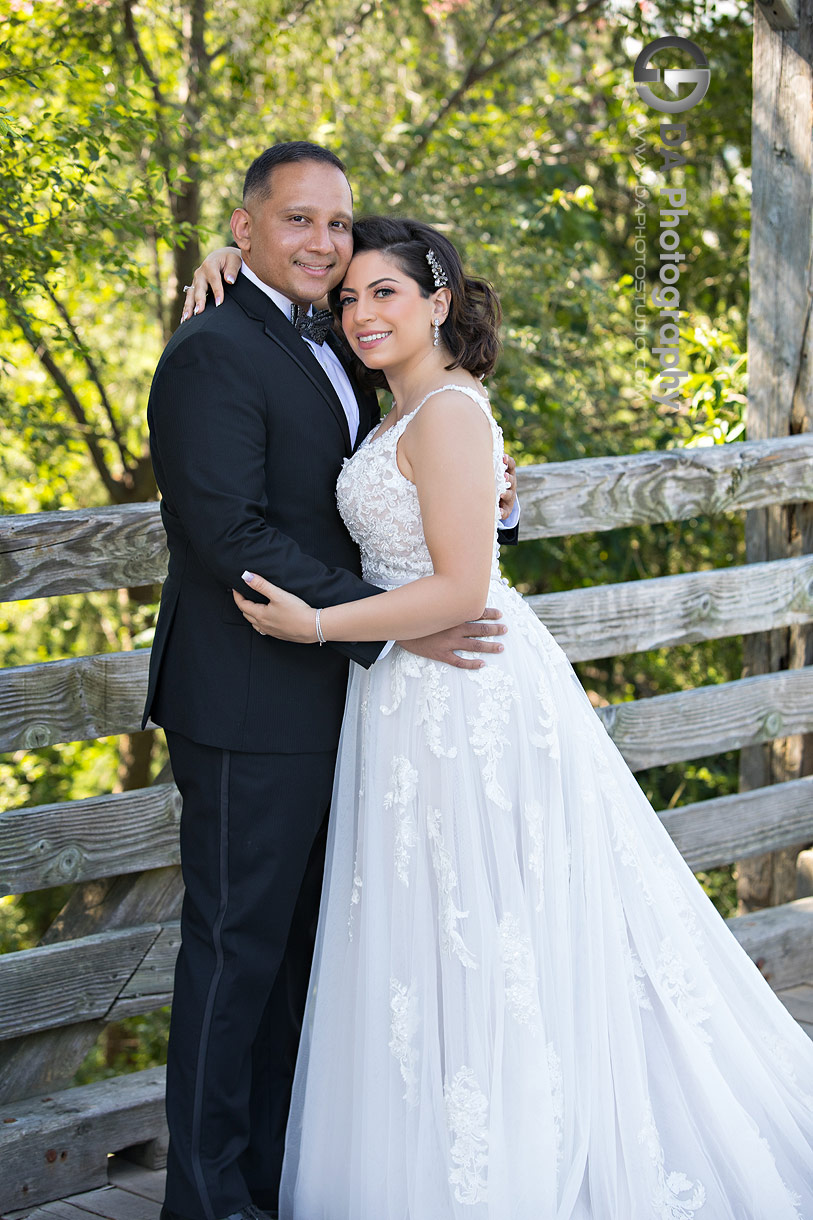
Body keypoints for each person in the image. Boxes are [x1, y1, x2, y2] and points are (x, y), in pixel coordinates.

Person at [220, 215, 813, 1218]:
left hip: (464, 697)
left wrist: (320, 621)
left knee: (491, 922)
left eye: (386, 294)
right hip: (406, 692)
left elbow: (461, 588)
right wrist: (227, 265)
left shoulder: (448, 412)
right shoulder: (399, 404)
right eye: (349, 297)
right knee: (438, 925)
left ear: (439, 300)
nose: (361, 312)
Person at [143, 145, 519, 1220]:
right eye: (295, 221)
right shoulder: (214, 347)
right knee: (235, 952)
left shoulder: (344, 343)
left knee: (308, 956)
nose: (321, 242)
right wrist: (390, 629)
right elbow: (228, 528)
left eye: (337, 223)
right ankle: (207, 1201)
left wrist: (479, 521)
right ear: (245, 228)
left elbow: (404, 470)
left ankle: (271, 1178)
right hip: (250, 699)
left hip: (349, 700)